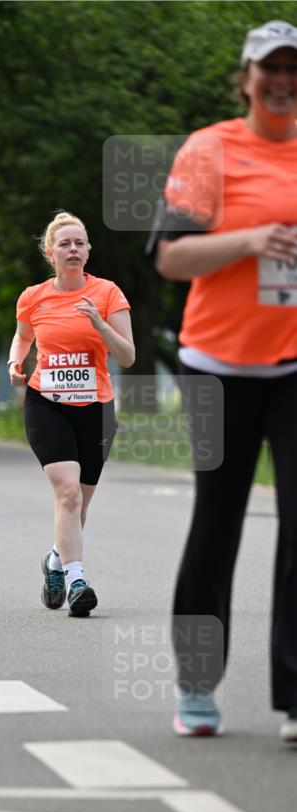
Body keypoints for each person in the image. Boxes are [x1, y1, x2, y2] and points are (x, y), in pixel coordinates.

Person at [153, 20, 297, 741]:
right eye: (270, 68)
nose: (282, 81)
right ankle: (197, 683)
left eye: (293, 69)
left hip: (294, 364)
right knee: (218, 520)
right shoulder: (208, 150)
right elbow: (169, 259)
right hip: (216, 365)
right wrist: (248, 240)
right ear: (245, 78)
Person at [8, 211, 134, 616]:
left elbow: (127, 356)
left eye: (80, 243)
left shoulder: (108, 293)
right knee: (67, 493)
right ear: (51, 254)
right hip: (47, 404)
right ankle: (78, 581)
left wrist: (99, 323)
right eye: (65, 244)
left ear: (89, 251)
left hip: (96, 408)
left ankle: (55, 562)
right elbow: (23, 336)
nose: (73, 249)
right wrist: (15, 361)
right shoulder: (33, 296)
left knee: (80, 503)